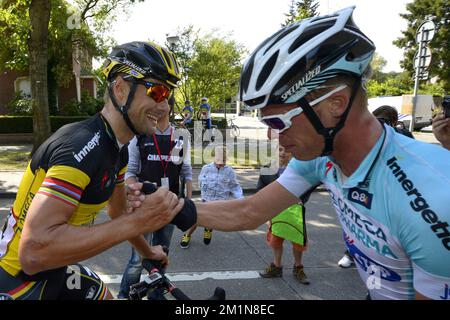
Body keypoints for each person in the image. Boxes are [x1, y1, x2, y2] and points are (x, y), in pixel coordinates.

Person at [130, 7, 450, 300]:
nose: (275, 136)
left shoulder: (433, 199)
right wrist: (171, 207)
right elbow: (250, 211)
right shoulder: (321, 155)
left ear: (335, 105)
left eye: (277, 121)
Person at [0, 41, 185, 300]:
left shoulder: (117, 148)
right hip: (18, 282)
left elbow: (117, 211)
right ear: (120, 89)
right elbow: (32, 254)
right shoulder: (82, 147)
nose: (165, 107)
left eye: (169, 96)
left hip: (56, 268)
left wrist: (148, 251)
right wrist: (140, 221)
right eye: (158, 92)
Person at [118, 94, 193, 299]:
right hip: (146, 206)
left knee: (162, 256)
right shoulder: (140, 135)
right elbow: (130, 172)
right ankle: (125, 295)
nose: (158, 108)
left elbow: (186, 171)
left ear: (169, 107)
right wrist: (135, 193)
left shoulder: (181, 135)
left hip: (170, 206)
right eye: (154, 103)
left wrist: (188, 199)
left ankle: (155, 295)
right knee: (137, 259)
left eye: (163, 104)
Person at [258, 145, 312, 285]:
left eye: (286, 150)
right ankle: (276, 266)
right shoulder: (267, 169)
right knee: (276, 241)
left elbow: (308, 187)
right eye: (280, 149)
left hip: (295, 213)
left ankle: (298, 267)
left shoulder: (299, 169)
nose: (282, 153)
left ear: (292, 152)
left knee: (298, 242)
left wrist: (301, 200)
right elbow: (260, 191)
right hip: (275, 212)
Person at [179, 146, 243, 248]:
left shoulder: (229, 171)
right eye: (219, 160)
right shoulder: (206, 169)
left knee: (212, 219)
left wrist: (240, 199)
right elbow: (201, 182)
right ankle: (187, 235)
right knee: (196, 219)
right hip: (206, 200)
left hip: (220, 202)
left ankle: (208, 228)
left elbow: (234, 186)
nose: (221, 162)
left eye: (224, 160)